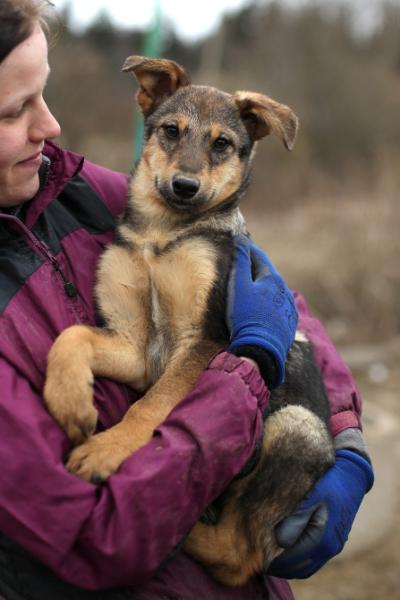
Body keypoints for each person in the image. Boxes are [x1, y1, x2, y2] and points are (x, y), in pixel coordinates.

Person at [0, 1, 373, 599]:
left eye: (43, 94)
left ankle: (235, 541)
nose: (52, 126)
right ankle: (227, 544)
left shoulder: (85, 193)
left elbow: (281, 305)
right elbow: (96, 539)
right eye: (15, 109)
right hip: (148, 557)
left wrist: (347, 433)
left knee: (298, 433)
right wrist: (248, 368)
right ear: (151, 110)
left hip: (256, 478)